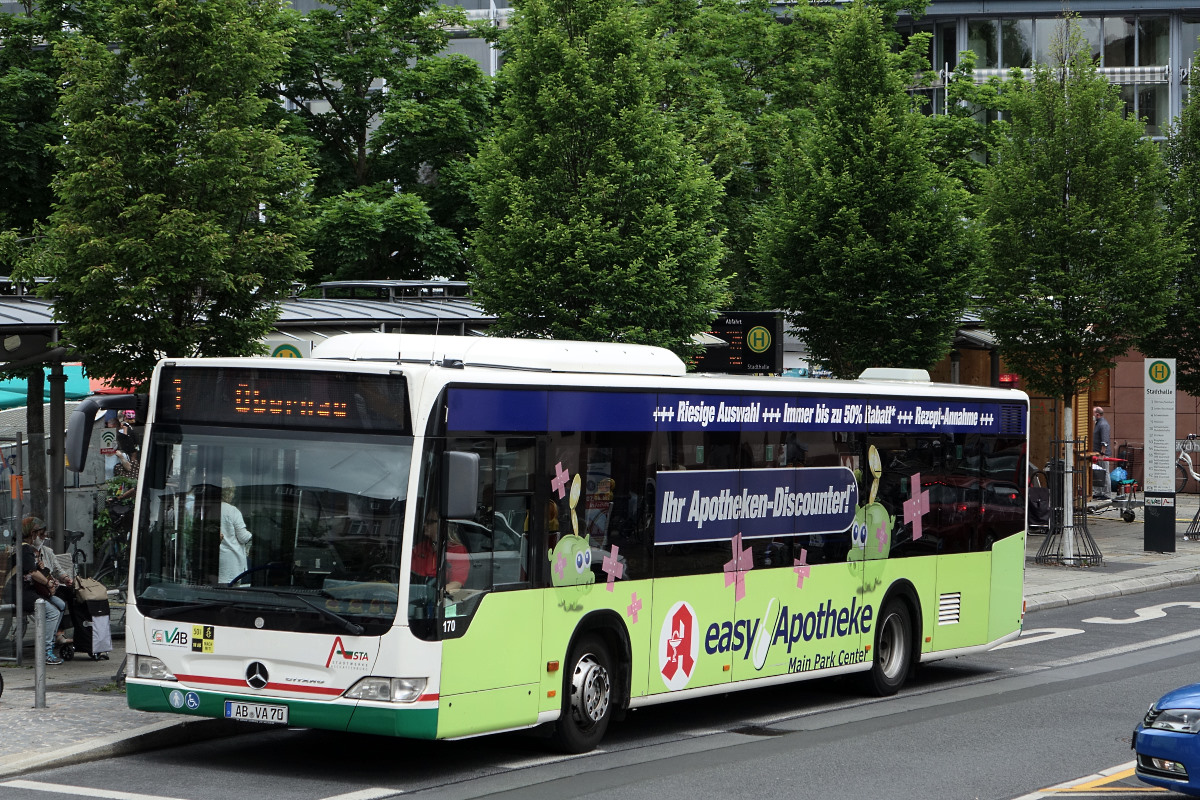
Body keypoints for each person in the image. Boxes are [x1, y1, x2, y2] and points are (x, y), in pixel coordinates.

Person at [11, 517, 66, 664]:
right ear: (32, 533)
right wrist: (48, 583)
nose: (40, 538)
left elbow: (36, 571)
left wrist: (44, 572)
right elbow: (32, 573)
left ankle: (49, 642)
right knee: (52, 611)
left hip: (30, 591)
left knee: (60, 605)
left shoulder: (26, 549)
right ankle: (45, 651)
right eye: (39, 534)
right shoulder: (24, 548)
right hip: (21, 593)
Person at [411, 509, 469, 595]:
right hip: (415, 594)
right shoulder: (419, 548)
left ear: (442, 524)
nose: (424, 525)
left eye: (430, 522)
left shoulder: (457, 551)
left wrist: (435, 595)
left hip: (440, 600)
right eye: (425, 521)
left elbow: (456, 584)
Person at [1093, 406, 1112, 500]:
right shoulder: (1098, 424)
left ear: (1097, 414)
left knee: (1105, 472)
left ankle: (1107, 493)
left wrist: (1102, 454)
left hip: (1102, 454)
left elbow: (1104, 441)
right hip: (1097, 453)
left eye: (1093, 413)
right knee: (1098, 473)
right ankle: (1099, 492)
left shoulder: (1103, 424)